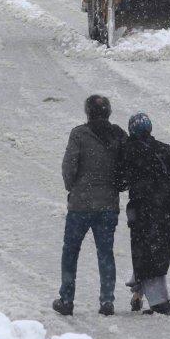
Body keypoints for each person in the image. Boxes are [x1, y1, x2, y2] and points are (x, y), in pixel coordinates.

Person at [52, 94, 128, 317]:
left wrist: (73, 188)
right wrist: (117, 186)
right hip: (107, 206)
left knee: (70, 252)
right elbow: (126, 168)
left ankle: (67, 299)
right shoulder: (118, 135)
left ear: (87, 112)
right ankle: (107, 301)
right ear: (109, 112)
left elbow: (69, 167)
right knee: (105, 253)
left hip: (80, 205)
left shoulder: (79, 134)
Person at [115, 112, 170, 316]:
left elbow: (120, 182)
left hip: (142, 212)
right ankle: (139, 292)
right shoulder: (164, 149)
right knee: (158, 254)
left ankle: (159, 303)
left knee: (144, 254)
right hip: (165, 211)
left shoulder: (128, 150)